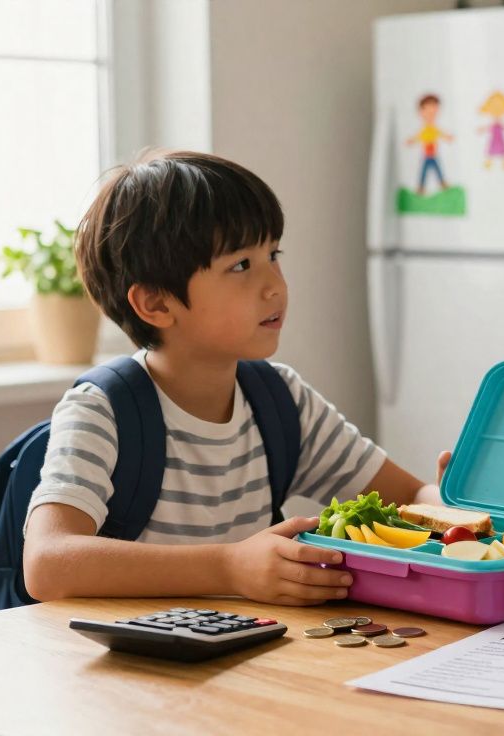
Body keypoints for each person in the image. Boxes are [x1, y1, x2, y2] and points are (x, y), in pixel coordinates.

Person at [23, 150, 448, 606]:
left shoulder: (280, 400)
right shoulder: (102, 410)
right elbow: (47, 564)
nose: (276, 286)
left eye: (273, 254)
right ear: (156, 304)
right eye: (241, 266)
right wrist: (229, 568)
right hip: (132, 669)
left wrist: (451, 499)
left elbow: (407, 496)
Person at [407, 94, 454, 194]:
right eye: (428, 111)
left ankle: (439, 184)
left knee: (436, 169)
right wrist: (412, 140)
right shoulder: (425, 130)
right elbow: (418, 136)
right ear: (421, 112)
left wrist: (447, 137)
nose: (432, 114)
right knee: (426, 170)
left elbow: (441, 134)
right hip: (427, 154)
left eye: (434, 111)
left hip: (433, 153)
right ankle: (423, 186)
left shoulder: (434, 129)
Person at [478, 91, 504, 170]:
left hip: (500, 139)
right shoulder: (493, 125)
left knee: (503, 150)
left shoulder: (500, 124)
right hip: (494, 140)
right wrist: (481, 129)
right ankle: (489, 163)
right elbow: (487, 128)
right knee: (491, 150)